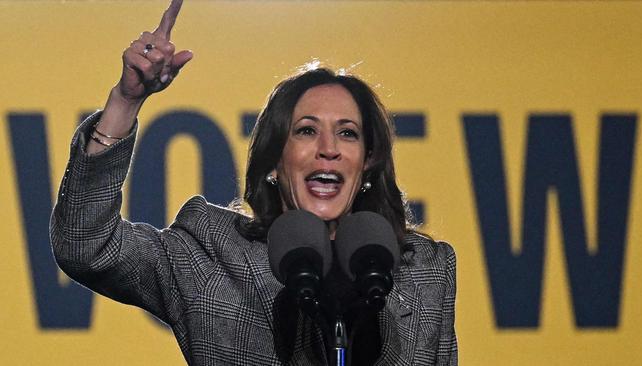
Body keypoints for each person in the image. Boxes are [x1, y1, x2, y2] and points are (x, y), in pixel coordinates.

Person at [49, 0, 457, 365]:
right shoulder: (209, 255)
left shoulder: (425, 272)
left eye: (348, 133)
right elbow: (86, 245)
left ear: (367, 163)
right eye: (306, 131)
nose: (328, 148)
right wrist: (126, 101)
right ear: (275, 162)